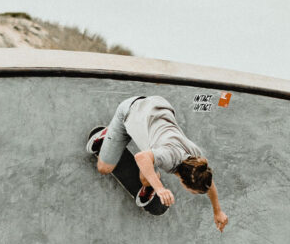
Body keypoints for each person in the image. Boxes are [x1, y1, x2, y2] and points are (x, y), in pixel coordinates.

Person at [87, 95, 229, 232]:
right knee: (104, 168)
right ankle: (109, 133)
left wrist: (218, 211)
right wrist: (160, 189)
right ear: (184, 183)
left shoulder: (197, 160)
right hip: (130, 111)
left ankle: (148, 183)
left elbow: (207, 183)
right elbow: (141, 157)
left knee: (147, 175)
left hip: (158, 108)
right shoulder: (169, 158)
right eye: (195, 192)